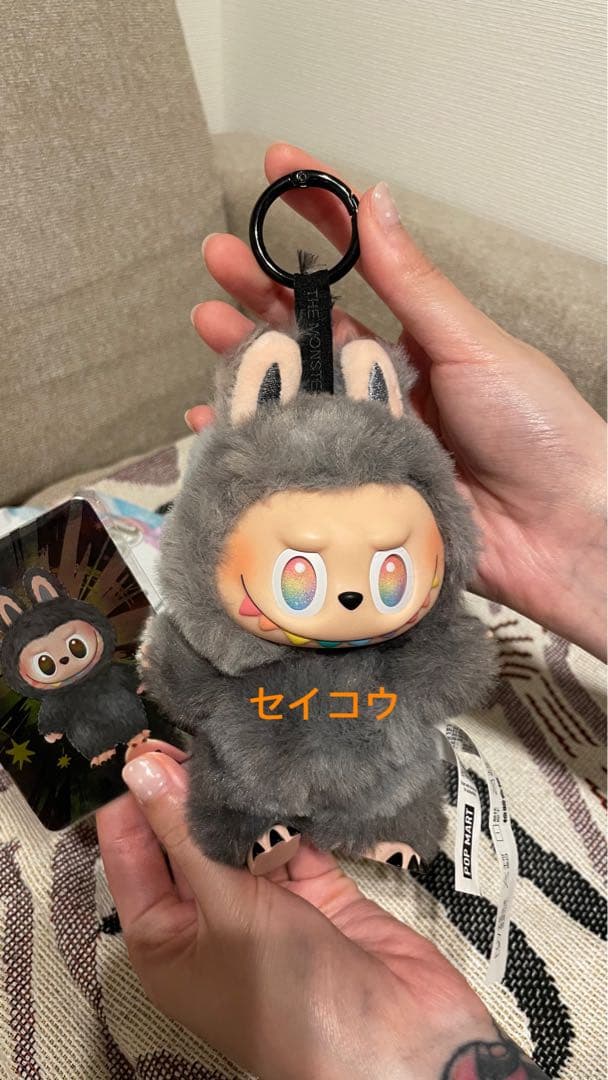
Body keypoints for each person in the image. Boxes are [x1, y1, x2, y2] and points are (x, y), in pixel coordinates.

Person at [97, 143, 606, 1080]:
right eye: (300, 579)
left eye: (387, 569)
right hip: (256, 757)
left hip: (381, 755)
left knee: (405, 779)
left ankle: (390, 828)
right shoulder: (228, 629)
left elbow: (456, 667)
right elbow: (182, 671)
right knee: (228, 787)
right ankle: (244, 833)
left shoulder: (416, 625)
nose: (343, 595)